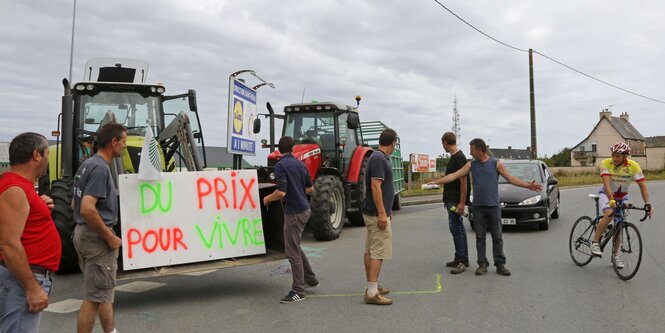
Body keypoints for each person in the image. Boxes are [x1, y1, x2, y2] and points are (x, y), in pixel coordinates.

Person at [439, 138, 542, 276]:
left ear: (479, 149)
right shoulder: (471, 165)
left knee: (497, 237)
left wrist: (528, 185)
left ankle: (500, 264)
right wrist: (436, 182)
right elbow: (454, 176)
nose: (470, 153)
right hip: (478, 207)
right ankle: (482, 264)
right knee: (480, 238)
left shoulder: (496, 164)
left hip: (493, 207)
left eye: (472, 150)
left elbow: (511, 179)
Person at [0, 132, 61, 333]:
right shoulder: (16, 189)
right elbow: (8, 243)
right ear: (36, 155)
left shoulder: (19, 187)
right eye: (46, 155)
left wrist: (39, 208)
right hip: (22, 280)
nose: (47, 161)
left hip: (23, 277)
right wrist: (32, 288)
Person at [72, 123, 126, 333]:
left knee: (102, 291)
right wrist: (109, 236)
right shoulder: (101, 168)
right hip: (96, 239)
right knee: (94, 298)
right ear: (113, 142)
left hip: (83, 234)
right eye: (123, 141)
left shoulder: (87, 164)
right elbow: (86, 208)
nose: (124, 145)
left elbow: (74, 203)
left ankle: (110, 331)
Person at [263, 136, 318, 304]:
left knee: (292, 252)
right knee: (295, 246)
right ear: (293, 149)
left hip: (294, 212)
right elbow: (311, 189)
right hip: (305, 209)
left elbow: (281, 192)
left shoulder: (280, 165)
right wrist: (298, 189)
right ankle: (311, 279)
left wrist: (267, 199)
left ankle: (298, 290)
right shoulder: (301, 165)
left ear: (279, 150)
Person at [590, 142, 652, 267]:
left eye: (617, 156)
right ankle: (595, 242)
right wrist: (611, 199)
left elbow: (642, 185)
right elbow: (606, 183)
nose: (614, 158)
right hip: (606, 194)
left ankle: (616, 256)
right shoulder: (606, 163)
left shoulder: (633, 166)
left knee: (619, 225)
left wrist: (648, 204)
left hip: (622, 197)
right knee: (609, 214)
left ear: (625, 157)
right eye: (613, 155)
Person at [362, 128, 398, 305]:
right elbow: (376, 186)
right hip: (376, 215)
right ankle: (372, 292)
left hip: (373, 212)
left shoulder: (377, 157)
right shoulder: (379, 158)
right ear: (393, 143)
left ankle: (372, 286)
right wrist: (383, 213)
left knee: (371, 250)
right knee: (378, 251)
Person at [428, 132, 470, 274]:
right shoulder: (456, 157)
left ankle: (461, 260)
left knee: (456, 228)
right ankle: (461, 257)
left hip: (456, 200)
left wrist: (461, 203)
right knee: (459, 228)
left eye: (443, 143)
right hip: (452, 199)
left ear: (446, 142)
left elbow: (463, 182)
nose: (443, 146)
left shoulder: (459, 158)